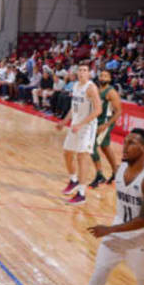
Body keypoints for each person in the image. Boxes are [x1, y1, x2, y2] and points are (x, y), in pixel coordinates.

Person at [65, 129, 144, 285]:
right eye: (125, 141)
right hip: (116, 235)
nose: (125, 147)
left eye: (132, 143)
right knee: (97, 277)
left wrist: (109, 230)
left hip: (140, 240)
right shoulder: (119, 171)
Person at [57, 62, 102, 205]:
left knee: (82, 157)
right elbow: (73, 108)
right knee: (67, 153)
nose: (82, 72)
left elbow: (98, 110)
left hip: (87, 127)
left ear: (89, 73)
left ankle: (81, 194)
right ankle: (73, 180)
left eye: (85, 70)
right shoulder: (76, 86)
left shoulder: (91, 88)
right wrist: (64, 121)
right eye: (80, 70)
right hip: (75, 124)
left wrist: (81, 124)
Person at [89, 70, 122, 188]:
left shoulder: (111, 92)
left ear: (109, 79)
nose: (102, 77)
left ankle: (99, 176)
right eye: (101, 75)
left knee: (91, 146)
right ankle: (117, 173)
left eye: (105, 76)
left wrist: (106, 126)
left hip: (105, 123)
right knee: (105, 147)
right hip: (96, 122)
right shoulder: (97, 90)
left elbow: (118, 112)